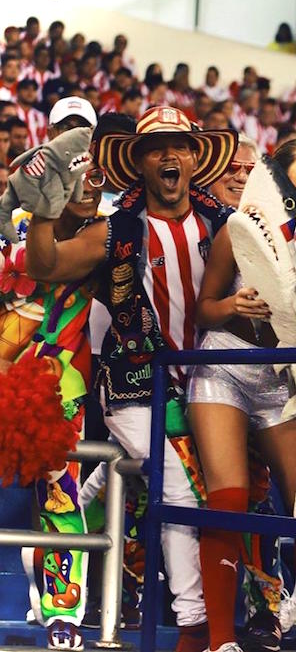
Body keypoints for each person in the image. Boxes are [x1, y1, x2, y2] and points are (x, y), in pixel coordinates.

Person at [25, 105, 239, 652]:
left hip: (215, 384)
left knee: (153, 482)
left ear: (196, 158)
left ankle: (74, 524)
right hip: (134, 384)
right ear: (139, 162)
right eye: (155, 147)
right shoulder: (114, 230)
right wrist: (45, 211)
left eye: (180, 145)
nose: (170, 155)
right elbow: (45, 266)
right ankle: (195, 627)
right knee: (179, 492)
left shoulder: (226, 224)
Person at [187, 138, 296, 652]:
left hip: (281, 381)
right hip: (225, 367)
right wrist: (234, 303)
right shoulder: (240, 229)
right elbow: (203, 310)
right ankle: (220, 641)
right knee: (229, 496)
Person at [0, 99, 101, 650]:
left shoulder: (105, 231)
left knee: (60, 497)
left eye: (83, 136)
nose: (75, 149)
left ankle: (64, 614)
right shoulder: (18, 205)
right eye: (65, 133)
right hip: (5, 372)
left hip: (59, 388)